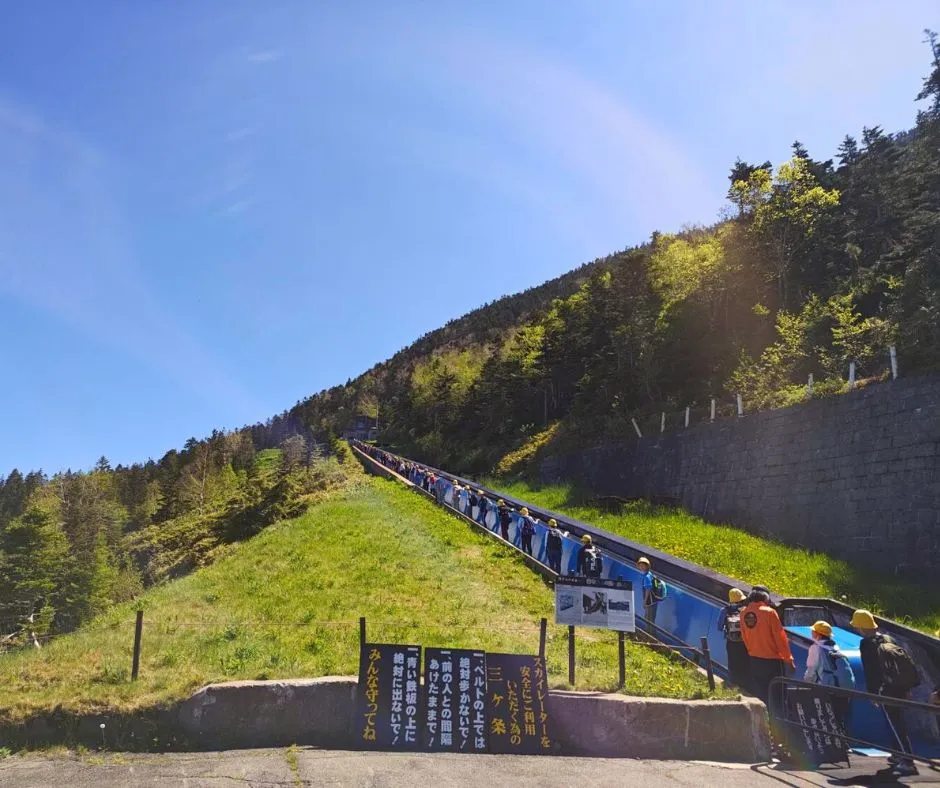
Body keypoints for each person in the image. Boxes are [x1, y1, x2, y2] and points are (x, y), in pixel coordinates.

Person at [851, 609, 920, 777]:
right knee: (897, 722)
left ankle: (908, 761)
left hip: (885, 690)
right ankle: (898, 754)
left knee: (896, 725)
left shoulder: (867, 644)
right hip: (898, 688)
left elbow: (871, 671)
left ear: (860, 627)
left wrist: (873, 694)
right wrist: (906, 689)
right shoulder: (888, 638)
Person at [740, 587, 795, 707]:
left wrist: (752, 650)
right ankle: (776, 721)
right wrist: (788, 659)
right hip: (772, 661)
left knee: (760, 693)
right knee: (777, 694)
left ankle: (762, 718)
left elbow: (744, 636)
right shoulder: (769, 612)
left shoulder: (744, 613)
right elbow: (780, 637)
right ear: (765, 598)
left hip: (754, 658)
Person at [804, 620, 854, 727]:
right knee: (838, 720)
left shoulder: (815, 648)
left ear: (817, 634)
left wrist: (805, 683)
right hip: (841, 689)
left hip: (825, 688)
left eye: (813, 631)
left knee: (825, 719)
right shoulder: (835, 647)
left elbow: (811, 669)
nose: (811, 633)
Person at [717, 588, 751, 691]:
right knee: (745, 663)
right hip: (745, 642)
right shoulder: (746, 610)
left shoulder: (725, 610)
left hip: (731, 642)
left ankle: (732, 684)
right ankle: (745, 686)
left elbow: (719, 627)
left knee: (732, 663)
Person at [637, 557, 665, 625]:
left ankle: (648, 634)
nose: (641, 567)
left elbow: (648, 589)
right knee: (651, 619)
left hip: (650, 602)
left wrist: (645, 602)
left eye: (643, 565)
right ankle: (649, 634)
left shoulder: (646, 577)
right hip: (654, 601)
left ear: (647, 566)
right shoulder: (650, 574)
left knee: (648, 620)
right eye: (640, 565)